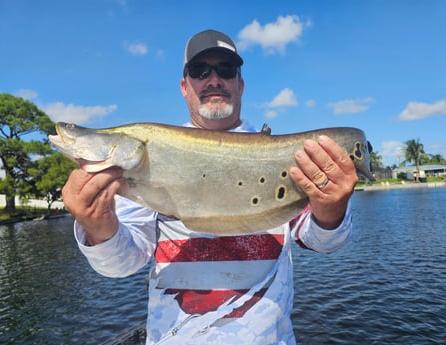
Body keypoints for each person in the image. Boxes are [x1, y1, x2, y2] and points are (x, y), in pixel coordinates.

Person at [62, 29, 358, 344]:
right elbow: (121, 263)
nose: (214, 79)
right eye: (200, 71)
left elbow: (322, 242)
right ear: (184, 86)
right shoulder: (147, 157)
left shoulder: (285, 156)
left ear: (240, 84)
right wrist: (98, 227)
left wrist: (332, 210)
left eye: (226, 70)